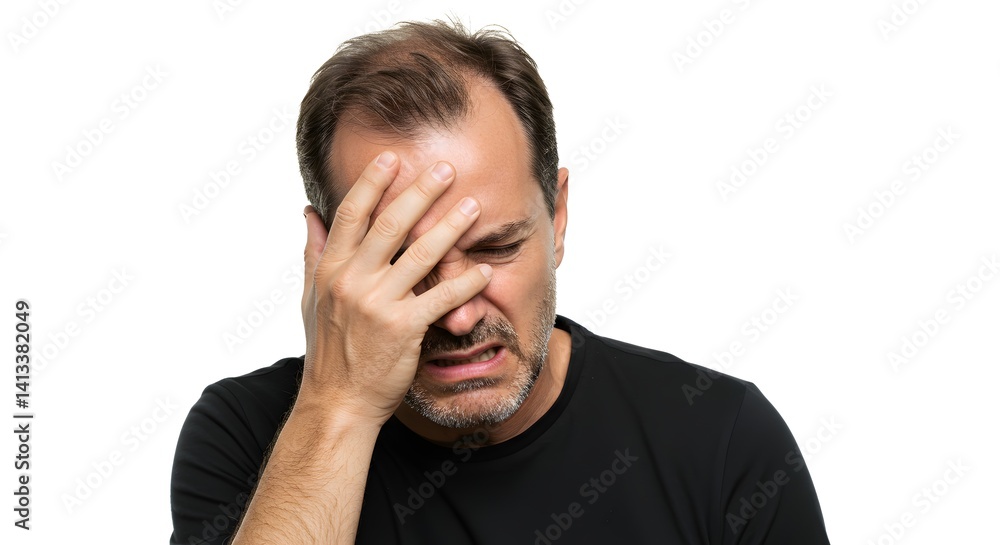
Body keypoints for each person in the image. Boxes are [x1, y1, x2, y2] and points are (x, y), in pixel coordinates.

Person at [169, 18, 831, 544]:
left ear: (559, 217)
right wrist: (338, 403)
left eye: (496, 247)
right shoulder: (246, 436)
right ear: (327, 256)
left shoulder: (720, 440)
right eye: (407, 263)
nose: (458, 316)